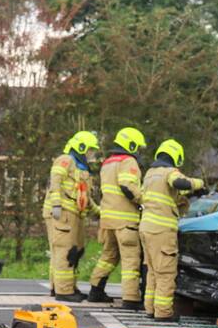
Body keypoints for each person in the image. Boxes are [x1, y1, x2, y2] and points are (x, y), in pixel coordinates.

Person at [139, 139, 204, 321]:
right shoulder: (170, 172)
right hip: (161, 229)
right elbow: (180, 183)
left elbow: (169, 194)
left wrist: (188, 196)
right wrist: (198, 184)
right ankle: (163, 312)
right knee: (166, 272)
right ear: (176, 156)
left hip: (146, 228)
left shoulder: (151, 174)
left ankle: (150, 309)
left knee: (152, 271)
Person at [89, 127, 147, 308]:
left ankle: (95, 290)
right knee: (131, 259)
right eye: (137, 147)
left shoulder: (107, 163)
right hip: (125, 221)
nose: (138, 151)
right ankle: (131, 299)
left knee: (108, 256)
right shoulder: (128, 161)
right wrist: (144, 201)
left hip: (108, 220)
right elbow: (127, 186)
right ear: (130, 144)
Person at [43, 131, 100, 302]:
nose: (91, 154)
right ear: (81, 147)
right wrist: (56, 204)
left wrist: (99, 212)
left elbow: (84, 197)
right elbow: (55, 181)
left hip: (74, 214)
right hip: (62, 214)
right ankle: (64, 291)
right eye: (90, 150)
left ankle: (64, 287)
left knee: (74, 251)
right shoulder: (65, 160)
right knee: (64, 251)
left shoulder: (81, 168)